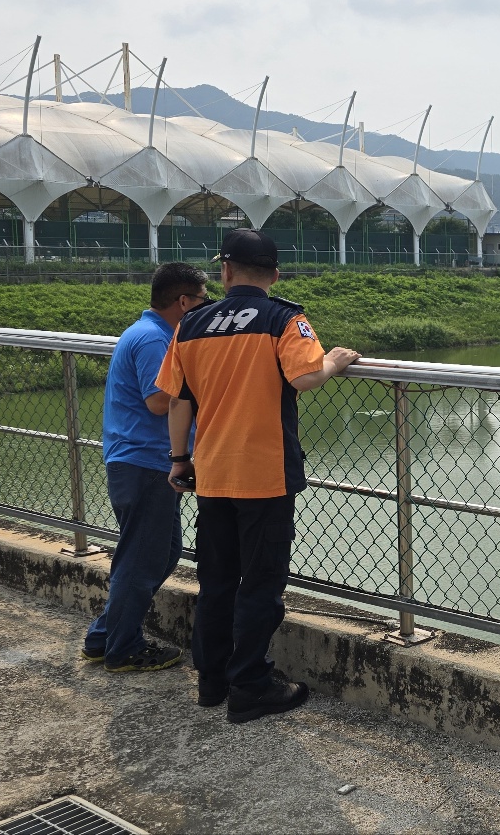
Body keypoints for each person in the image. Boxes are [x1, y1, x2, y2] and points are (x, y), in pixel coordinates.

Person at [156, 229, 360, 724]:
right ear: (275, 275)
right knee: (261, 584)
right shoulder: (283, 318)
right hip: (265, 474)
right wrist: (333, 360)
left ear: (225, 272)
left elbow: (178, 400)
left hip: (212, 471)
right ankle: (250, 685)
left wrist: (179, 459)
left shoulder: (192, 323)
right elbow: (304, 377)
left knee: (217, 579)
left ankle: (211, 680)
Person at [81, 262, 210, 672]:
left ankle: (104, 637)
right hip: (145, 462)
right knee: (142, 558)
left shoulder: (151, 333)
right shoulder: (155, 339)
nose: (208, 307)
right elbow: (158, 401)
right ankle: (122, 648)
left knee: (160, 553)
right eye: (204, 300)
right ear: (184, 302)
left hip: (142, 461)